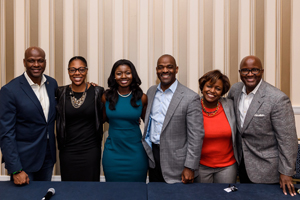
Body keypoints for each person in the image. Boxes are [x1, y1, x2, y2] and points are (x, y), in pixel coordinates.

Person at [227, 55, 298, 196]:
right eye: (245, 70)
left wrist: (286, 172)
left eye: (255, 70)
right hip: (242, 164)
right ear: (240, 72)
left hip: (268, 169)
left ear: (262, 71)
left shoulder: (277, 99)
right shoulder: (235, 90)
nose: (250, 74)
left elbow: (288, 140)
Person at [142, 54, 204, 184]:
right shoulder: (151, 91)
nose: (165, 71)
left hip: (178, 164)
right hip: (153, 158)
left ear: (176, 69)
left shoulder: (190, 97)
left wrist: (190, 166)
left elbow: (196, 136)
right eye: (161, 67)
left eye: (169, 67)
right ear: (156, 70)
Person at [0, 47, 58, 185]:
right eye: (31, 61)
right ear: (24, 62)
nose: (36, 65)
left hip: (47, 157)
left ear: (45, 62)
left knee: (44, 195)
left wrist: (90, 88)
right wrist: (15, 169)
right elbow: (6, 133)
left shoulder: (52, 84)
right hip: (23, 162)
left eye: (40, 61)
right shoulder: (10, 90)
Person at [55, 56, 104, 181]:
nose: (77, 73)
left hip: (91, 150)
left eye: (81, 69)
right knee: (69, 189)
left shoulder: (98, 92)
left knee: (91, 189)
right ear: (68, 71)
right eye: (73, 69)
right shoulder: (60, 93)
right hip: (68, 150)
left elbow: (110, 110)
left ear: (86, 71)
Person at [102, 59, 148, 182]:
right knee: (113, 192)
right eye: (119, 73)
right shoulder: (105, 97)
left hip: (136, 154)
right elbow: (103, 119)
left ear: (133, 75)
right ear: (114, 76)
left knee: (137, 192)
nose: (123, 76)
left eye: (127, 72)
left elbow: (149, 124)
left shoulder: (142, 98)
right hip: (113, 154)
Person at [196, 70, 238, 183]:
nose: (212, 91)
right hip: (201, 166)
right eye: (209, 86)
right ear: (202, 87)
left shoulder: (230, 105)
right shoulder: (193, 106)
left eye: (218, 88)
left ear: (222, 91)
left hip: (227, 167)